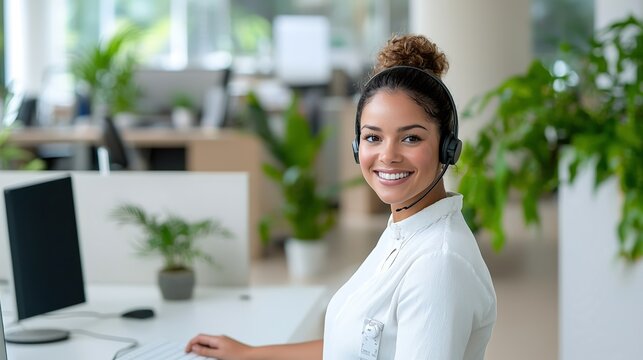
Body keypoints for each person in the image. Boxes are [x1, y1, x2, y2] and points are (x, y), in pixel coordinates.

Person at [185, 34, 496, 360]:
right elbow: (355, 346)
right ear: (357, 146)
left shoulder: (438, 265)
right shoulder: (405, 229)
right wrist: (250, 353)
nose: (387, 156)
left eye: (411, 138)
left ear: (448, 147)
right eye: (373, 137)